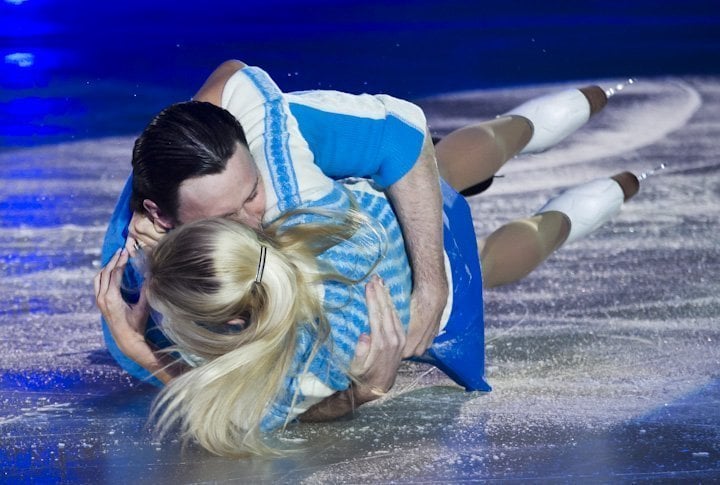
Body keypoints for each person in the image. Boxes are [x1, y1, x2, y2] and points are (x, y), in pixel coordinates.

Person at [95, 62, 641, 455]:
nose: (255, 224)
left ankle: (596, 166)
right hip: (363, 226)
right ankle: (584, 129)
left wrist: (429, 292)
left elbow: (241, 409)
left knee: (464, 233)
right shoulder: (316, 213)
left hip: (375, 249)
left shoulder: (288, 181)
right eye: (223, 217)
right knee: (458, 196)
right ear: (160, 216)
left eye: (250, 194)